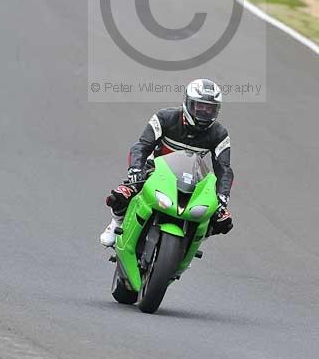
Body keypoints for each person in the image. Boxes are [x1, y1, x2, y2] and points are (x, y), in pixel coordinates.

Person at [100, 79, 234, 246]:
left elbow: (224, 169)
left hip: (193, 180)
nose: (204, 112)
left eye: (210, 108)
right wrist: (135, 169)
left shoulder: (220, 134)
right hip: (155, 170)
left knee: (222, 221)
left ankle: (191, 244)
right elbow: (141, 146)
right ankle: (116, 223)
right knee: (120, 195)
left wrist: (222, 196)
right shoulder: (164, 118)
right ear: (188, 103)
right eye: (200, 106)